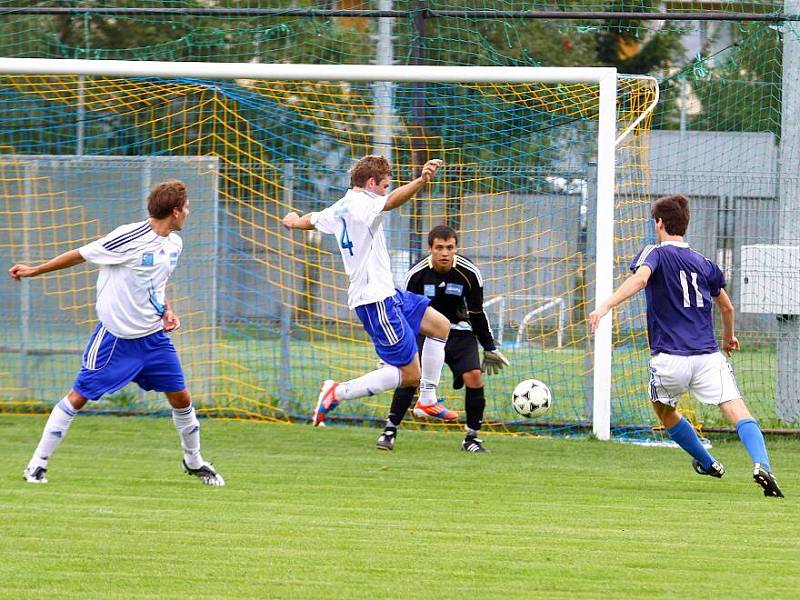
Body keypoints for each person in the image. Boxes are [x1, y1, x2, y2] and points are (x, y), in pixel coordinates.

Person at [9, 180, 224, 487]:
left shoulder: (174, 243)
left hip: (153, 339)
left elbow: (154, 284)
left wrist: (166, 310)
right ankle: (37, 464)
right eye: (186, 207)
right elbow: (80, 254)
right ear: (175, 212)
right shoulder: (128, 236)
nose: (189, 212)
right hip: (116, 340)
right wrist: (34, 271)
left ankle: (193, 461)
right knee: (78, 397)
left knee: (181, 397)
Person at [589, 194, 783, 498]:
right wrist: (728, 338)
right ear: (685, 225)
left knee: (663, 410)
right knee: (737, 409)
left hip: (670, 358)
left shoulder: (654, 253)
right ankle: (762, 464)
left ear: (659, 223)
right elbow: (727, 308)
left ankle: (707, 462)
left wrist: (603, 308)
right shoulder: (704, 263)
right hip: (708, 356)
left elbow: (640, 281)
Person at [282, 155, 451, 427]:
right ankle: (337, 391)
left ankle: (427, 400)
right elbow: (392, 201)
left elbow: (313, 219)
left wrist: (293, 221)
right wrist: (421, 180)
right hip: (375, 302)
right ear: (371, 182)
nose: (385, 190)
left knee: (440, 325)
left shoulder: (340, 206)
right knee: (409, 375)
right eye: (384, 184)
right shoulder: (363, 204)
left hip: (388, 294)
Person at [376, 225, 509, 453]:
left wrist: (488, 346)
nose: (445, 253)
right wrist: (397, 348)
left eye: (450, 248)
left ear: (456, 248)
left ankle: (472, 438)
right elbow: (402, 313)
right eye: (439, 248)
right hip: (423, 331)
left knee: (475, 377)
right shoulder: (416, 274)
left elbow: (476, 312)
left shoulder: (469, 273)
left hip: (458, 331)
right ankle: (390, 430)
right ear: (430, 249)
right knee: (410, 376)